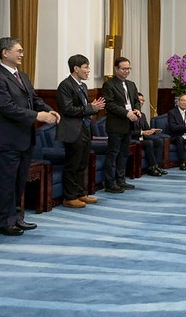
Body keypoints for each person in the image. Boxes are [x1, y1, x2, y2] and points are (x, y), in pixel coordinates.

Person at [0, 37, 60, 236]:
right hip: (7, 139)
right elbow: (6, 107)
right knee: (7, 183)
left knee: (20, 182)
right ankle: (4, 222)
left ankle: (17, 218)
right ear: (5, 53)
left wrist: (49, 110)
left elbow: (34, 99)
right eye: (18, 50)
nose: (22, 54)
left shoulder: (23, 76)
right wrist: (37, 116)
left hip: (25, 138)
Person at [55, 54, 104, 209]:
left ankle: (80, 193)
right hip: (72, 130)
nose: (88, 70)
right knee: (73, 163)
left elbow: (84, 108)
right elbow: (67, 109)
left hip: (85, 128)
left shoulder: (83, 86)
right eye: (86, 67)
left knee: (83, 162)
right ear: (76, 68)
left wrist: (92, 108)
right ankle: (69, 197)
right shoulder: (65, 85)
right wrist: (91, 108)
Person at [101, 57, 140, 193]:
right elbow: (110, 104)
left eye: (128, 69)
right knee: (113, 154)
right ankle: (110, 183)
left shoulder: (131, 84)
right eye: (124, 69)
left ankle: (120, 180)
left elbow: (136, 101)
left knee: (124, 154)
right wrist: (126, 113)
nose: (126, 71)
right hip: (115, 125)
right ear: (116, 69)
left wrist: (137, 110)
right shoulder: (109, 85)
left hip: (128, 125)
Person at [133, 93, 168, 177]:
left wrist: (153, 130)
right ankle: (152, 167)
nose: (141, 102)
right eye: (139, 100)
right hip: (133, 139)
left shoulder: (142, 115)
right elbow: (128, 132)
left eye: (143, 100)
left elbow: (147, 129)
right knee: (149, 143)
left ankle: (158, 166)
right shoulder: (129, 114)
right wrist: (142, 132)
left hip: (142, 138)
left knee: (159, 141)